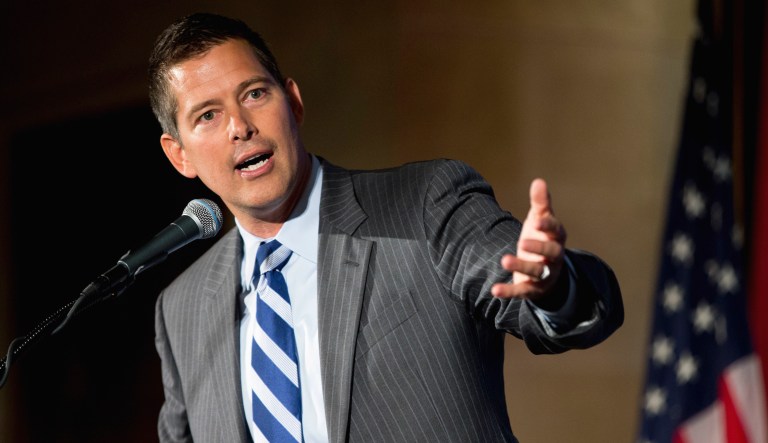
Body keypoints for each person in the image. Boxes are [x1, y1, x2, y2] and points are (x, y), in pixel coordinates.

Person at [148, 12, 623, 443]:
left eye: (254, 94)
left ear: (292, 102)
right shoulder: (182, 308)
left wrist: (552, 286)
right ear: (179, 154)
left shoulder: (424, 204)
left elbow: (533, 292)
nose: (239, 126)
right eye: (207, 115)